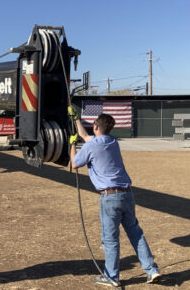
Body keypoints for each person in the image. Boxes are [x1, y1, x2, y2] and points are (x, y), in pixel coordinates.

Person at [68, 109, 160, 287]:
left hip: (109, 198)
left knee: (110, 239)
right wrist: (76, 120)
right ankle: (152, 270)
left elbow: (74, 163)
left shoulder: (91, 146)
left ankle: (111, 277)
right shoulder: (112, 142)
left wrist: (72, 145)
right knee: (135, 233)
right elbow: (85, 136)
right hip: (127, 194)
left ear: (96, 125)